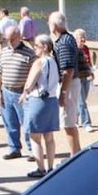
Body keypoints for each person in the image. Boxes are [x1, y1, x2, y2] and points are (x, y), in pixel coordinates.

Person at [0, 23, 36, 160]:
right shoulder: (4, 52)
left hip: (21, 92)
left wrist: (27, 91)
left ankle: (32, 150)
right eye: (7, 39)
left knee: (27, 123)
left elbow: (34, 74)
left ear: (19, 37)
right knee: (10, 122)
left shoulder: (29, 53)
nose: (10, 42)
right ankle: (14, 148)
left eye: (12, 39)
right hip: (6, 90)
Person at [20, 34, 61, 177]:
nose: (34, 49)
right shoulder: (54, 61)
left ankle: (41, 168)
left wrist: (25, 92)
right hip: (51, 100)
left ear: (44, 47)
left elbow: (30, 83)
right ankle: (50, 167)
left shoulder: (39, 62)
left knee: (35, 137)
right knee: (49, 137)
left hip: (38, 100)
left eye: (36, 46)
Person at [49, 12, 81, 155]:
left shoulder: (63, 42)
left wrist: (63, 93)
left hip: (69, 84)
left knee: (68, 122)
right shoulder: (67, 39)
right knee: (68, 121)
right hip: (70, 82)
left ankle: (74, 155)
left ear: (54, 25)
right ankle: (76, 152)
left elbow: (68, 71)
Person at [74, 28, 94, 132]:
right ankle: (87, 123)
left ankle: (74, 119)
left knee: (82, 100)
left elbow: (89, 62)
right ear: (76, 39)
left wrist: (92, 73)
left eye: (84, 37)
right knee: (82, 102)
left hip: (86, 77)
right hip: (77, 78)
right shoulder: (73, 50)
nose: (83, 39)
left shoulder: (86, 49)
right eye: (81, 37)